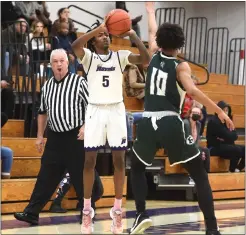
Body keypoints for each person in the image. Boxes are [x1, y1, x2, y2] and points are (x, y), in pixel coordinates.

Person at [128, 2, 234, 235]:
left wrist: (150, 12)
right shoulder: (180, 65)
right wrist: (219, 110)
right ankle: (212, 229)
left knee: (136, 166)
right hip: (169, 121)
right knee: (199, 174)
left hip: (147, 121)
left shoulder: (154, 54)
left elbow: (153, 31)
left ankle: (141, 214)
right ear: (181, 44)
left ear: (160, 41)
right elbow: (193, 91)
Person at [72, 18, 150, 234]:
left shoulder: (120, 56)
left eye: (107, 34)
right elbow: (75, 46)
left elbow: (146, 59)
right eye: (101, 35)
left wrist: (133, 36)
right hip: (95, 110)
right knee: (89, 161)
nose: (105, 36)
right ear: (94, 41)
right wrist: (94, 30)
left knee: (119, 160)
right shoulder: (88, 57)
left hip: (116, 110)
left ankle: (117, 210)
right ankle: (87, 211)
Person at [14, 49, 102, 225]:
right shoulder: (47, 86)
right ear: (51, 65)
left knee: (80, 176)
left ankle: (87, 211)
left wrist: (86, 126)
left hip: (76, 136)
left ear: (68, 63)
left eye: (62, 61)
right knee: (46, 176)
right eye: (55, 61)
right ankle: (32, 212)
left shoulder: (79, 82)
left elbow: (93, 107)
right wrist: (40, 135)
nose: (59, 64)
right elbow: (42, 112)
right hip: (54, 138)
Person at [206, 101, 245, 172]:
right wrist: (227, 135)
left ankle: (238, 168)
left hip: (226, 145)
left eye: (227, 110)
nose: (225, 112)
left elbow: (235, 136)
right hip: (214, 147)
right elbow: (226, 135)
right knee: (236, 150)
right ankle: (232, 170)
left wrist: (226, 136)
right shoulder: (213, 121)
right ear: (218, 110)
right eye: (223, 110)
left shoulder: (228, 121)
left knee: (244, 149)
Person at [183, 105, 211, 184]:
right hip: (184, 148)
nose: (196, 114)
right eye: (194, 112)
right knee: (197, 154)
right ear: (190, 113)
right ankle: (192, 176)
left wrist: (199, 150)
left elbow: (197, 140)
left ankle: (205, 173)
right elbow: (188, 141)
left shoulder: (198, 124)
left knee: (206, 151)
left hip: (193, 147)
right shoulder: (185, 123)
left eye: (198, 113)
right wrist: (198, 151)